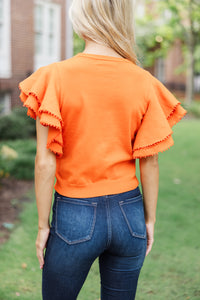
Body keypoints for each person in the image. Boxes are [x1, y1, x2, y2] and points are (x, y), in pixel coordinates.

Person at [19, 0, 186, 299]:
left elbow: (45, 162)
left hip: (74, 216)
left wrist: (43, 226)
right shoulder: (143, 81)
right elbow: (150, 161)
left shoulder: (53, 77)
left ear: (82, 18)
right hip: (129, 214)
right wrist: (149, 219)